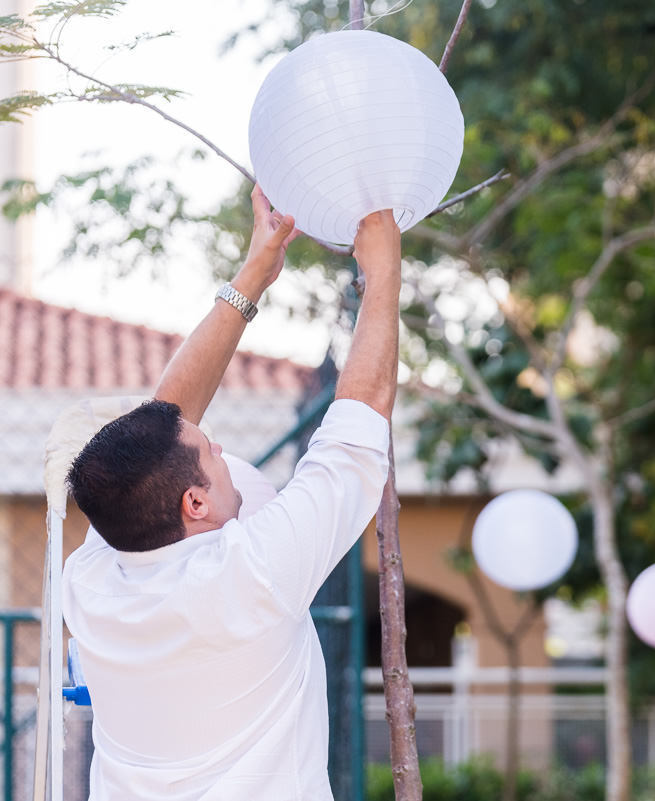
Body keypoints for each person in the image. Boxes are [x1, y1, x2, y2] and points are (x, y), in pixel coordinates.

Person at [62, 185, 403, 801]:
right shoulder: (251, 573)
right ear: (194, 504)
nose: (219, 448)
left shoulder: (96, 574)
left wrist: (256, 273)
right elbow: (356, 430)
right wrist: (383, 275)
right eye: (210, 451)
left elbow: (162, 424)